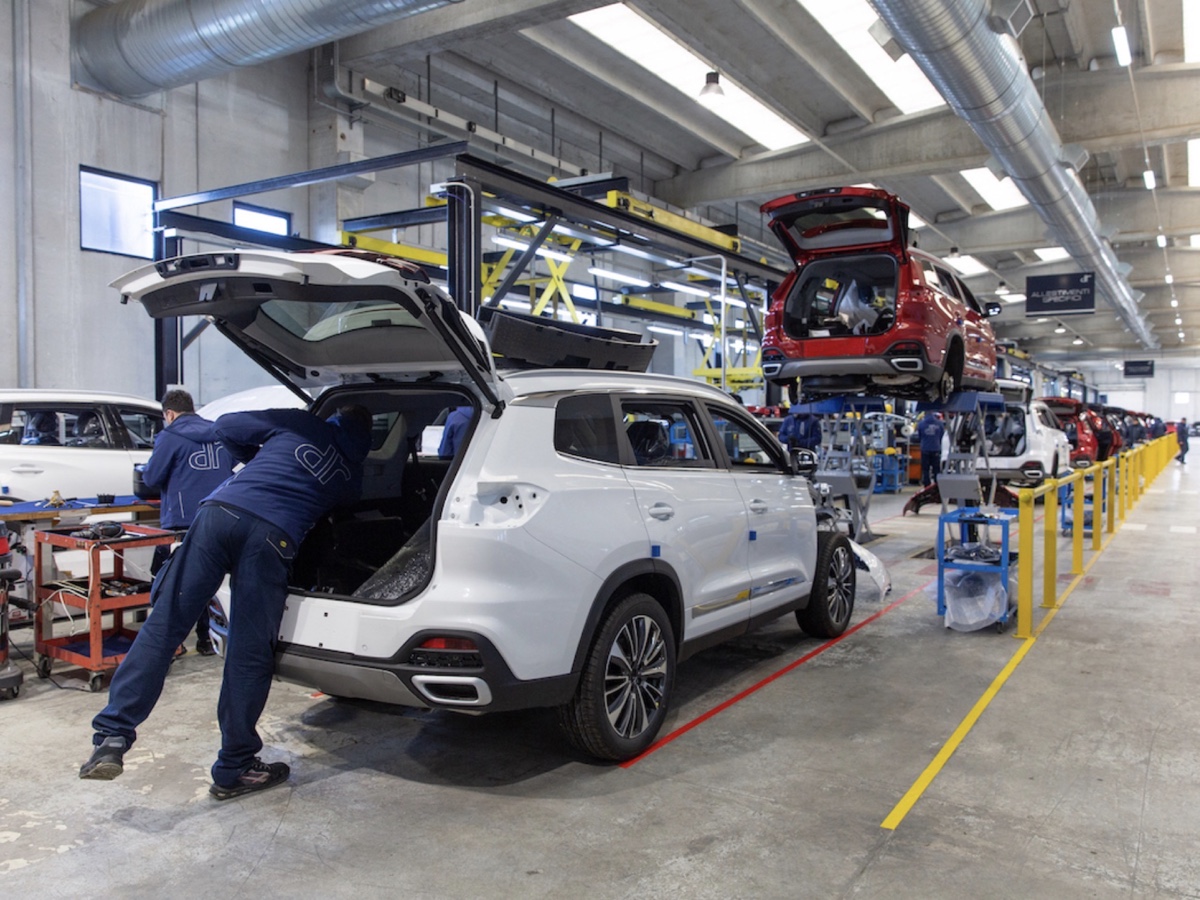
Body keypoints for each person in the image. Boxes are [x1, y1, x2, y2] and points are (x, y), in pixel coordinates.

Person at [80, 405, 372, 800]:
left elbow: (225, 426)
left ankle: (112, 736)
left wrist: (255, 456)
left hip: (220, 515)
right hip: (273, 539)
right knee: (249, 652)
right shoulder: (352, 476)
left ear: (335, 415)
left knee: (165, 625)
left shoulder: (303, 422)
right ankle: (235, 766)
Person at [139, 389, 235, 656]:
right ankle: (207, 638)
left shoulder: (170, 436)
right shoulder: (218, 431)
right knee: (211, 577)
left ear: (169, 414)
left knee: (167, 578)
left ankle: (169, 643)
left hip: (181, 522)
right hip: (219, 515)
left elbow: (152, 477)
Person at [918, 410, 945, 487]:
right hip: (936, 448)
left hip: (925, 449)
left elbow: (920, 436)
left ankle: (927, 486)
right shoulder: (939, 423)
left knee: (925, 469)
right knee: (936, 469)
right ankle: (937, 486)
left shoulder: (921, 424)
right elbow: (941, 435)